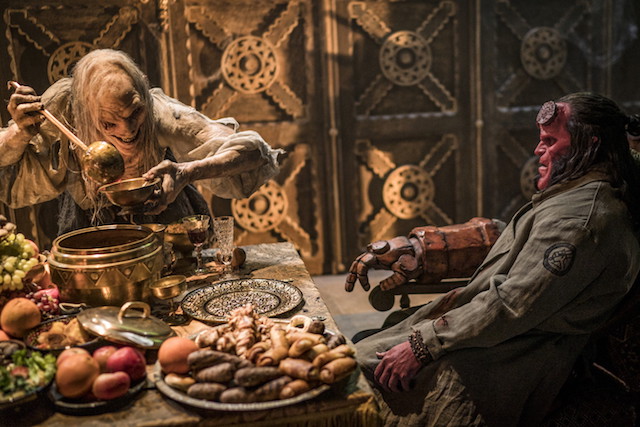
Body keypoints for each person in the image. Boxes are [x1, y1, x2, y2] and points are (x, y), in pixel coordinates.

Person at [345, 92, 640, 426]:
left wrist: (423, 344)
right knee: (358, 350)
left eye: (550, 141)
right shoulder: (575, 194)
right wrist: (420, 248)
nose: (537, 150)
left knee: (350, 380)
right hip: (487, 336)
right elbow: (515, 240)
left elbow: (511, 305)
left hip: (504, 357)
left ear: (590, 144)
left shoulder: (580, 221)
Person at [0, 49, 281, 239]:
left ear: (143, 93)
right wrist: (19, 134)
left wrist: (187, 172)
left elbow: (255, 152)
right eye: (109, 123)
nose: (128, 130)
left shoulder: (159, 112)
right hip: (89, 232)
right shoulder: (63, 109)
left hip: (168, 225)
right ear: (84, 111)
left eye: (135, 112)